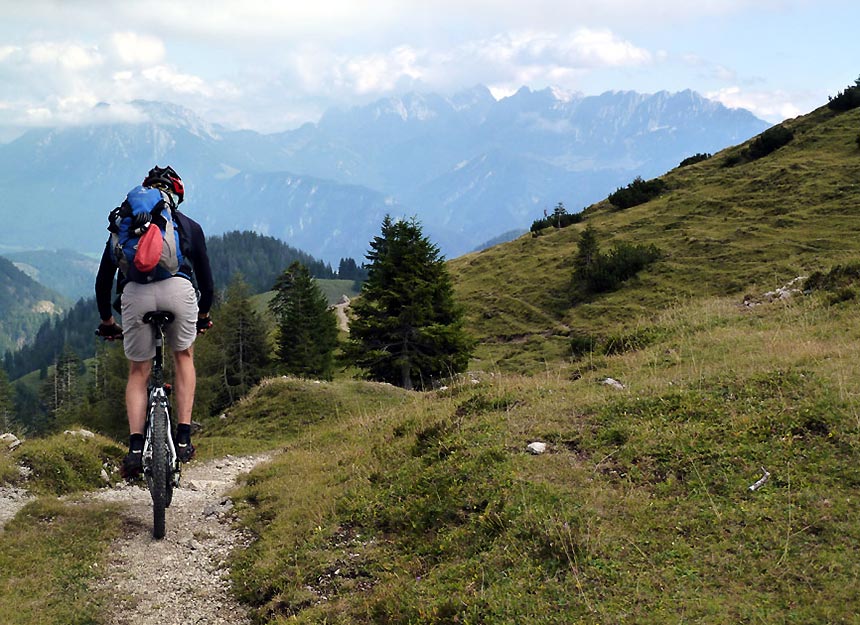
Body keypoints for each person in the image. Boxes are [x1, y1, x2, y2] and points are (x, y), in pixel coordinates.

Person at [95, 165, 214, 479]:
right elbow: (207, 281)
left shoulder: (124, 226)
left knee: (139, 371)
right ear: (174, 196)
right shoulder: (187, 226)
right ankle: (184, 437)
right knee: (183, 356)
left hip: (135, 296)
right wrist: (202, 316)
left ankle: (135, 448)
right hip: (179, 292)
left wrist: (108, 320)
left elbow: (103, 280)